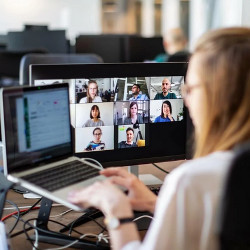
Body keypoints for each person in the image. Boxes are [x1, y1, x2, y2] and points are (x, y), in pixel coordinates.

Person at [68, 27, 250, 249]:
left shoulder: (194, 179)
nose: (185, 99)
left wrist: (115, 208)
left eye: (191, 88)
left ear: (222, 95)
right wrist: (161, 204)